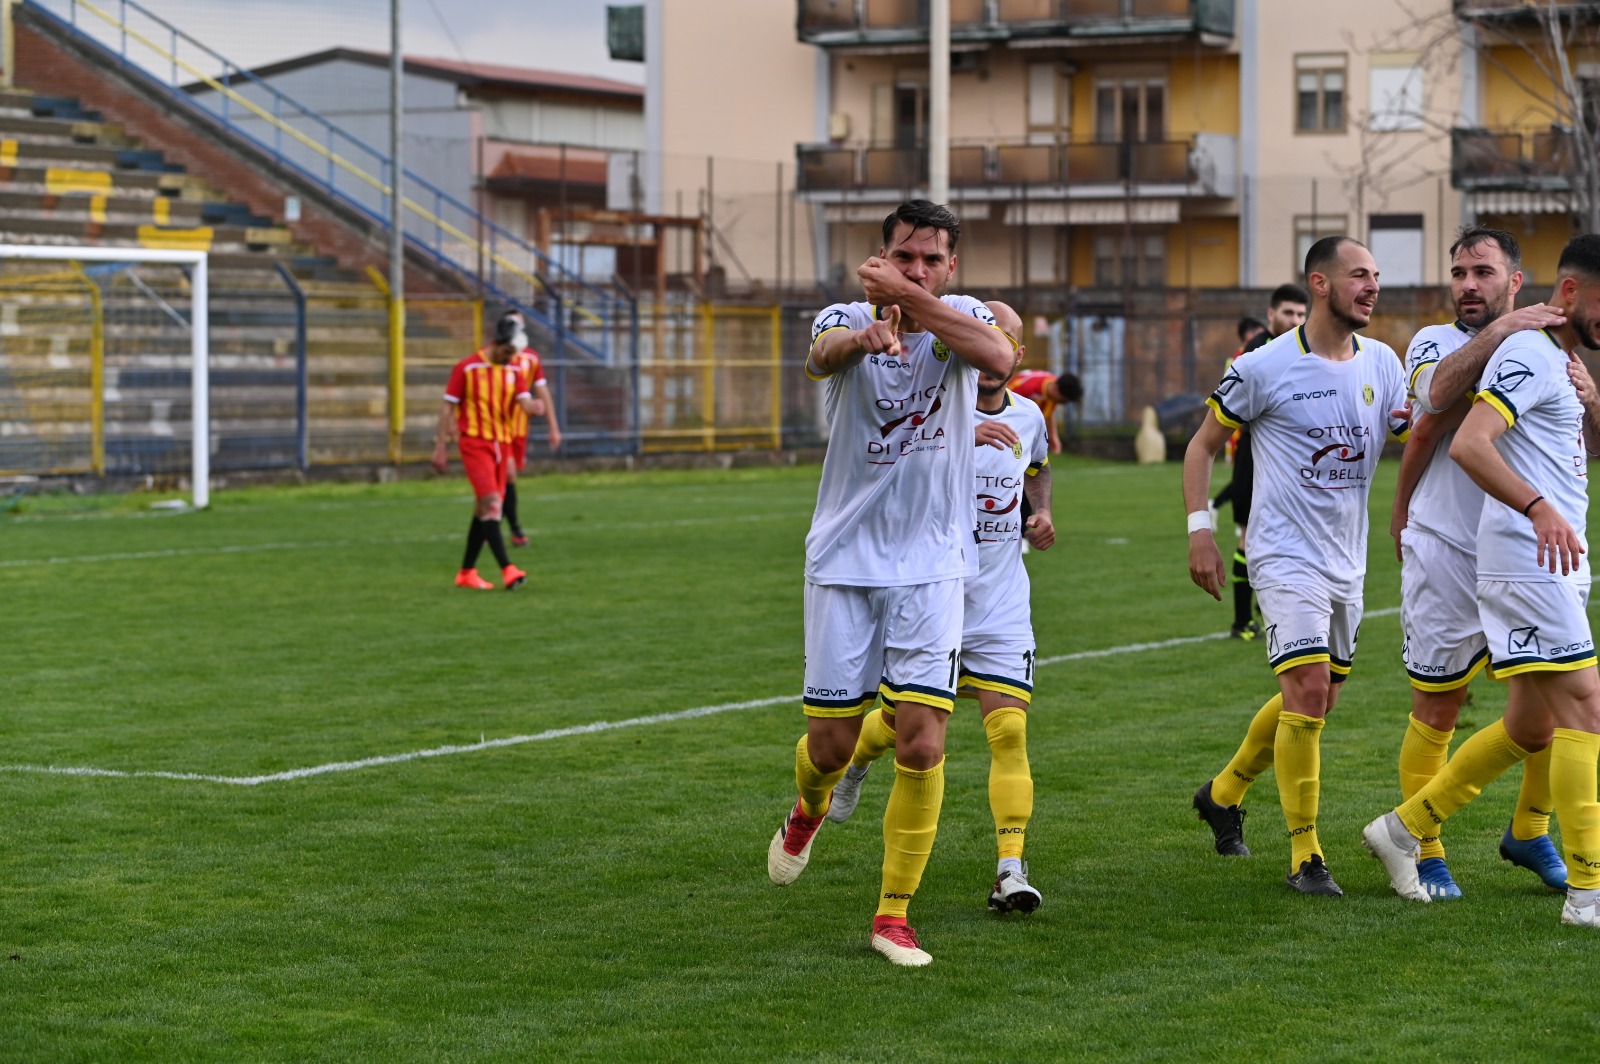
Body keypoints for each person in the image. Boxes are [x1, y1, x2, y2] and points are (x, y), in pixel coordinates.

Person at [764, 199, 1013, 968]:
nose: (917, 269)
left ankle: (893, 916)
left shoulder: (960, 317)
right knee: (830, 744)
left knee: (924, 741)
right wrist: (866, 335)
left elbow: (1000, 361)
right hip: (845, 559)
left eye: (931, 259)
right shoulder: (840, 315)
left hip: (934, 563)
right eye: (904, 257)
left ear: (951, 267)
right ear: (880, 257)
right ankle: (808, 808)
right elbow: (824, 356)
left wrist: (918, 307)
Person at [1364, 234, 1600, 928]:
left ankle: (1462, 829)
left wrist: (1589, 392)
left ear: (1516, 279)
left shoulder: (1554, 349)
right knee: (1452, 704)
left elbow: (1572, 447)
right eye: (1458, 271)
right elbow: (1439, 418)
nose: (1468, 282)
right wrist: (1405, 513)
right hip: (1473, 545)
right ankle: (1573, 887)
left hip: (1532, 547)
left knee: (1536, 721)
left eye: (1483, 271)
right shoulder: (1450, 342)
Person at [1185, 237, 1408, 896]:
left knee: (1316, 697)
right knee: (1308, 692)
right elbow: (1201, 446)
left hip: (1349, 559)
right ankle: (1306, 856)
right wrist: (1202, 532)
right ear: (1319, 283)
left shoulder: (1384, 362)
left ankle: (1222, 794)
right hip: (1283, 556)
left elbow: (1409, 429)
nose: (1371, 288)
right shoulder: (1263, 365)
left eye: (1376, 277)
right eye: (1359, 276)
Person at [824, 300, 1055, 917]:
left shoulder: (1030, 417)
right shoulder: (933, 408)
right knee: (905, 726)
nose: (989, 352)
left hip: (1002, 600)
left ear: (1014, 354)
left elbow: (1037, 468)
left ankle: (1011, 869)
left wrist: (1043, 511)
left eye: (1003, 340)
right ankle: (852, 764)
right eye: (982, 336)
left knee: (1009, 729)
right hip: (935, 595)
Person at [1212, 284, 1309, 641]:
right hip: (1255, 456)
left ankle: (1265, 611)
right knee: (1248, 539)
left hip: (1291, 461)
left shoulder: (1303, 349)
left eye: (1301, 314)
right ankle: (1242, 621)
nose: (1295, 320)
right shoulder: (1258, 352)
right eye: (1288, 313)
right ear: (1271, 315)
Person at [431, 312, 538, 590]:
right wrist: (440, 446)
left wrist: (534, 408)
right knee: (492, 503)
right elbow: (447, 407)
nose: (509, 357)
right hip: (475, 443)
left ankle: (467, 572)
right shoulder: (467, 367)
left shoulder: (514, 369)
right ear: (496, 342)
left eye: (513, 353)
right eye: (506, 351)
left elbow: (524, 400)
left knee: (484, 509)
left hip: (503, 445)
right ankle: (508, 569)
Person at [499, 311, 562, 548]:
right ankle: (515, 530)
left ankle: (488, 526)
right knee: (508, 475)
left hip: (519, 430)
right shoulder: (497, 356)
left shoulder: (531, 358)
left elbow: (542, 392)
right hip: (498, 428)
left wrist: (553, 427)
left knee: (504, 481)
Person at [1011, 367, 1083, 454]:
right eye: (1063, 400)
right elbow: (1005, 401)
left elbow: (1050, 412)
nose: (1062, 403)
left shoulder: (1054, 387)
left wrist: (1053, 436)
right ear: (1056, 389)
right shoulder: (1027, 388)